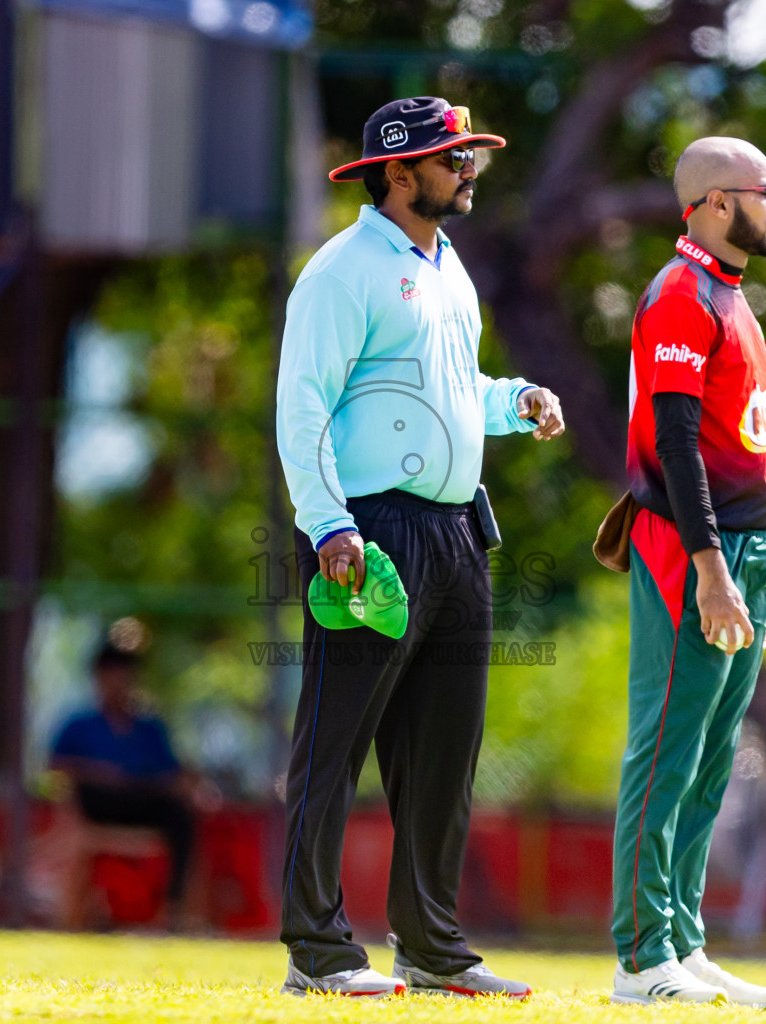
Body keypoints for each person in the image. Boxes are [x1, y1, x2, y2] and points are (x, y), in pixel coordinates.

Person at [274, 96, 565, 998]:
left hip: (455, 531)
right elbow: (304, 406)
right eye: (450, 159)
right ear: (398, 175)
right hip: (371, 531)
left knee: (444, 753)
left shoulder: (448, 267)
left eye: (467, 156)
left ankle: (433, 948)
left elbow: (452, 388)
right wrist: (329, 524)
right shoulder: (342, 271)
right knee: (334, 746)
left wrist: (514, 401)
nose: (466, 170)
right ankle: (317, 953)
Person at [608, 136, 766, 1007]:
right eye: (765, 192)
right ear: (718, 203)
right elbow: (674, 444)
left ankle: (681, 938)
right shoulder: (679, 294)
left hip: (748, 549)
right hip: (692, 550)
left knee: (714, 754)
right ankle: (641, 958)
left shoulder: (728, 291)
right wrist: (712, 567)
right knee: (668, 746)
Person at [50, 642, 207, 924]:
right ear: (98, 678)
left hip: (142, 801)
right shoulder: (79, 725)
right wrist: (101, 773)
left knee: (180, 813)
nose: (119, 684)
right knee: (97, 791)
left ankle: (174, 908)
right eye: (111, 676)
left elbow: (171, 771)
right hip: (100, 803)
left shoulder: (149, 729)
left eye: (125, 676)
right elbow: (57, 767)